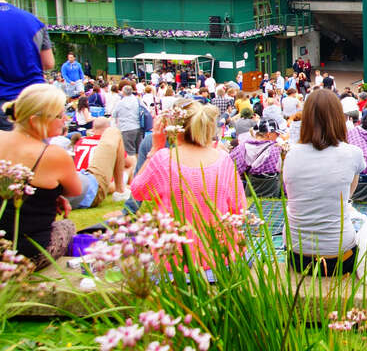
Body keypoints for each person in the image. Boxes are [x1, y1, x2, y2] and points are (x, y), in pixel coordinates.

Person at [131, 99, 247, 267]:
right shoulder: (222, 159)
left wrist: (155, 148)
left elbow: (137, 192)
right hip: (222, 258)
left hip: (175, 261)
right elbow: (239, 209)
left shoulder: (163, 159)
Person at [283, 89, 365, 274]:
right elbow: (347, 196)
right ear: (339, 118)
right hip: (339, 256)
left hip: (298, 257)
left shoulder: (291, 155)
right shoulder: (352, 154)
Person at [0, 84, 80, 267]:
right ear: (36, 121)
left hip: (2, 244)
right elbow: (75, 190)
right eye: (59, 116)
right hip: (29, 254)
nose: (65, 120)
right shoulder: (54, 154)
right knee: (67, 227)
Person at [68, 118, 129, 208]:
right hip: (92, 186)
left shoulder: (81, 142)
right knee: (114, 132)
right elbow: (128, 163)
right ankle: (120, 190)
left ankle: (122, 188)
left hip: (84, 180)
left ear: (93, 128)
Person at [230, 118, 283, 198]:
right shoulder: (275, 149)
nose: (278, 136)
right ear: (269, 134)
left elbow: (232, 166)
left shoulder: (244, 146)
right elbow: (278, 169)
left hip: (250, 191)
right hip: (271, 193)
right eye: (277, 134)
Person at [112, 85, 143, 158]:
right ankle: (139, 167)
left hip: (126, 128)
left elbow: (114, 114)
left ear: (123, 92)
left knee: (129, 152)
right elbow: (145, 110)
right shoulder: (137, 100)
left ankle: (133, 168)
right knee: (139, 150)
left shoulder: (120, 103)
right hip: (138, 126)